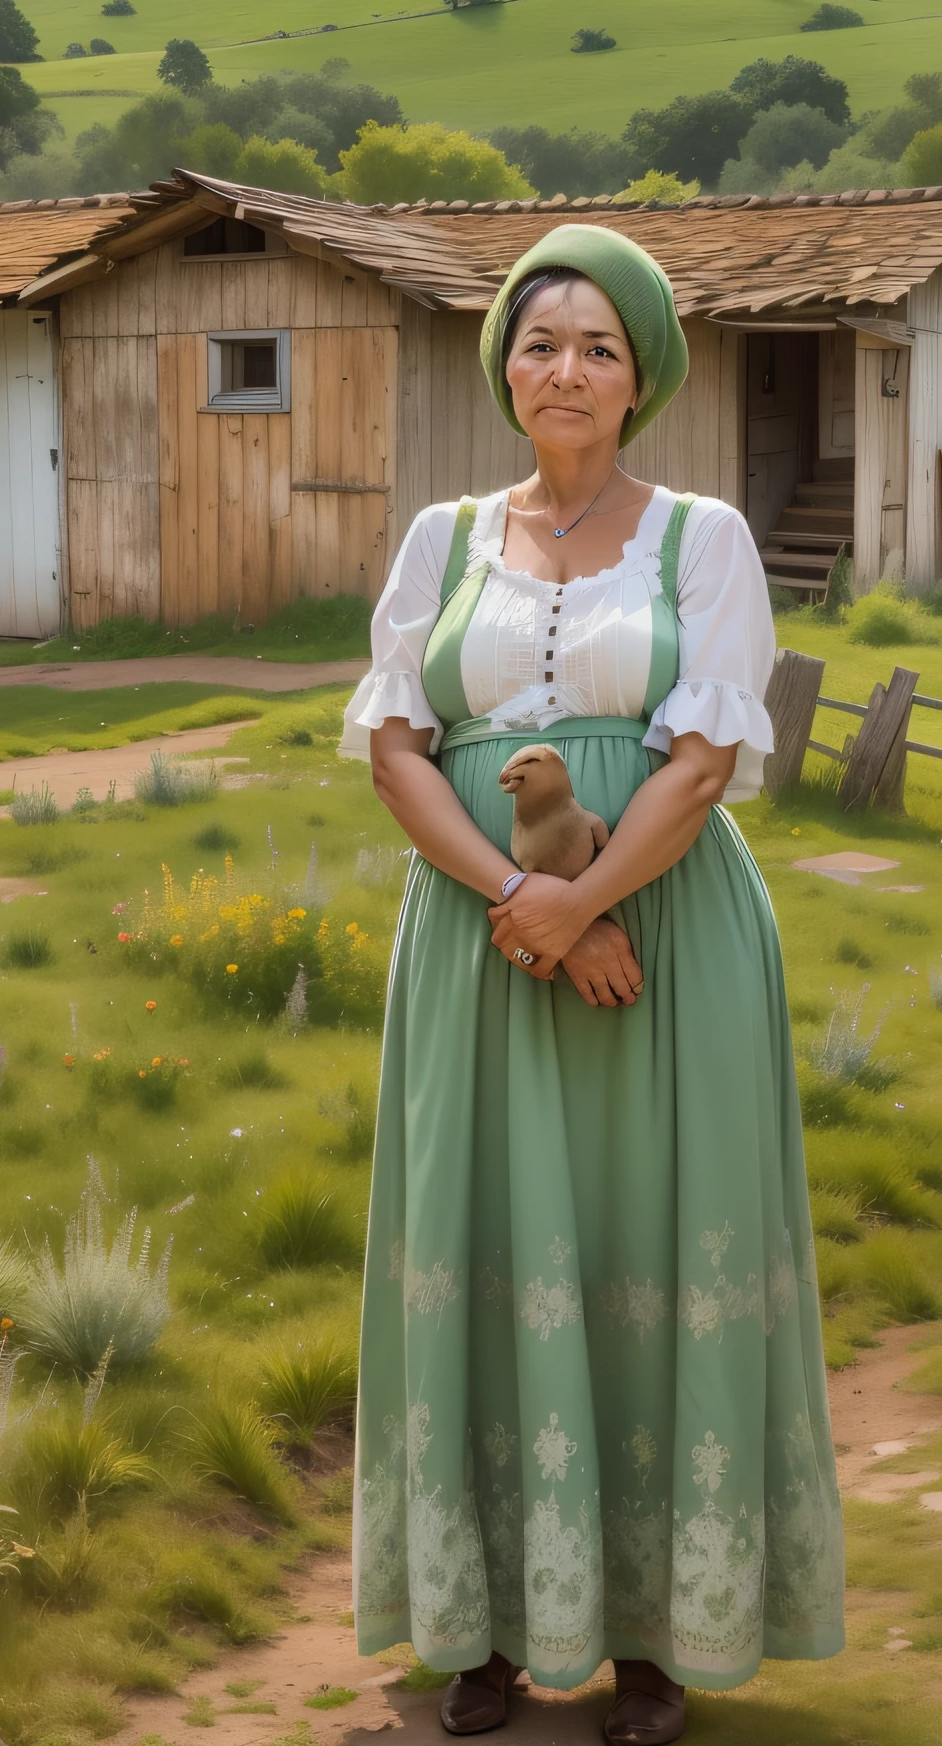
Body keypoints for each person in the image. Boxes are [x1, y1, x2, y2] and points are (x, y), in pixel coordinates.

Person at [340, 224, 843, 1744]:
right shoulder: (440, 539)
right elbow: (394, 747)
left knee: (653, 1238)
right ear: (506, 363)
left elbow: (702, 765)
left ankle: (655, 1638)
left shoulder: (706, 539)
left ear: (643, 378)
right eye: (541, 341)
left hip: (667, 933)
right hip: (476, 941)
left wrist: (591, 901)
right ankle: (484, 1629)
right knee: (479, 1235)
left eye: (599, 346)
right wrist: (521, 898)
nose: (566, 368)